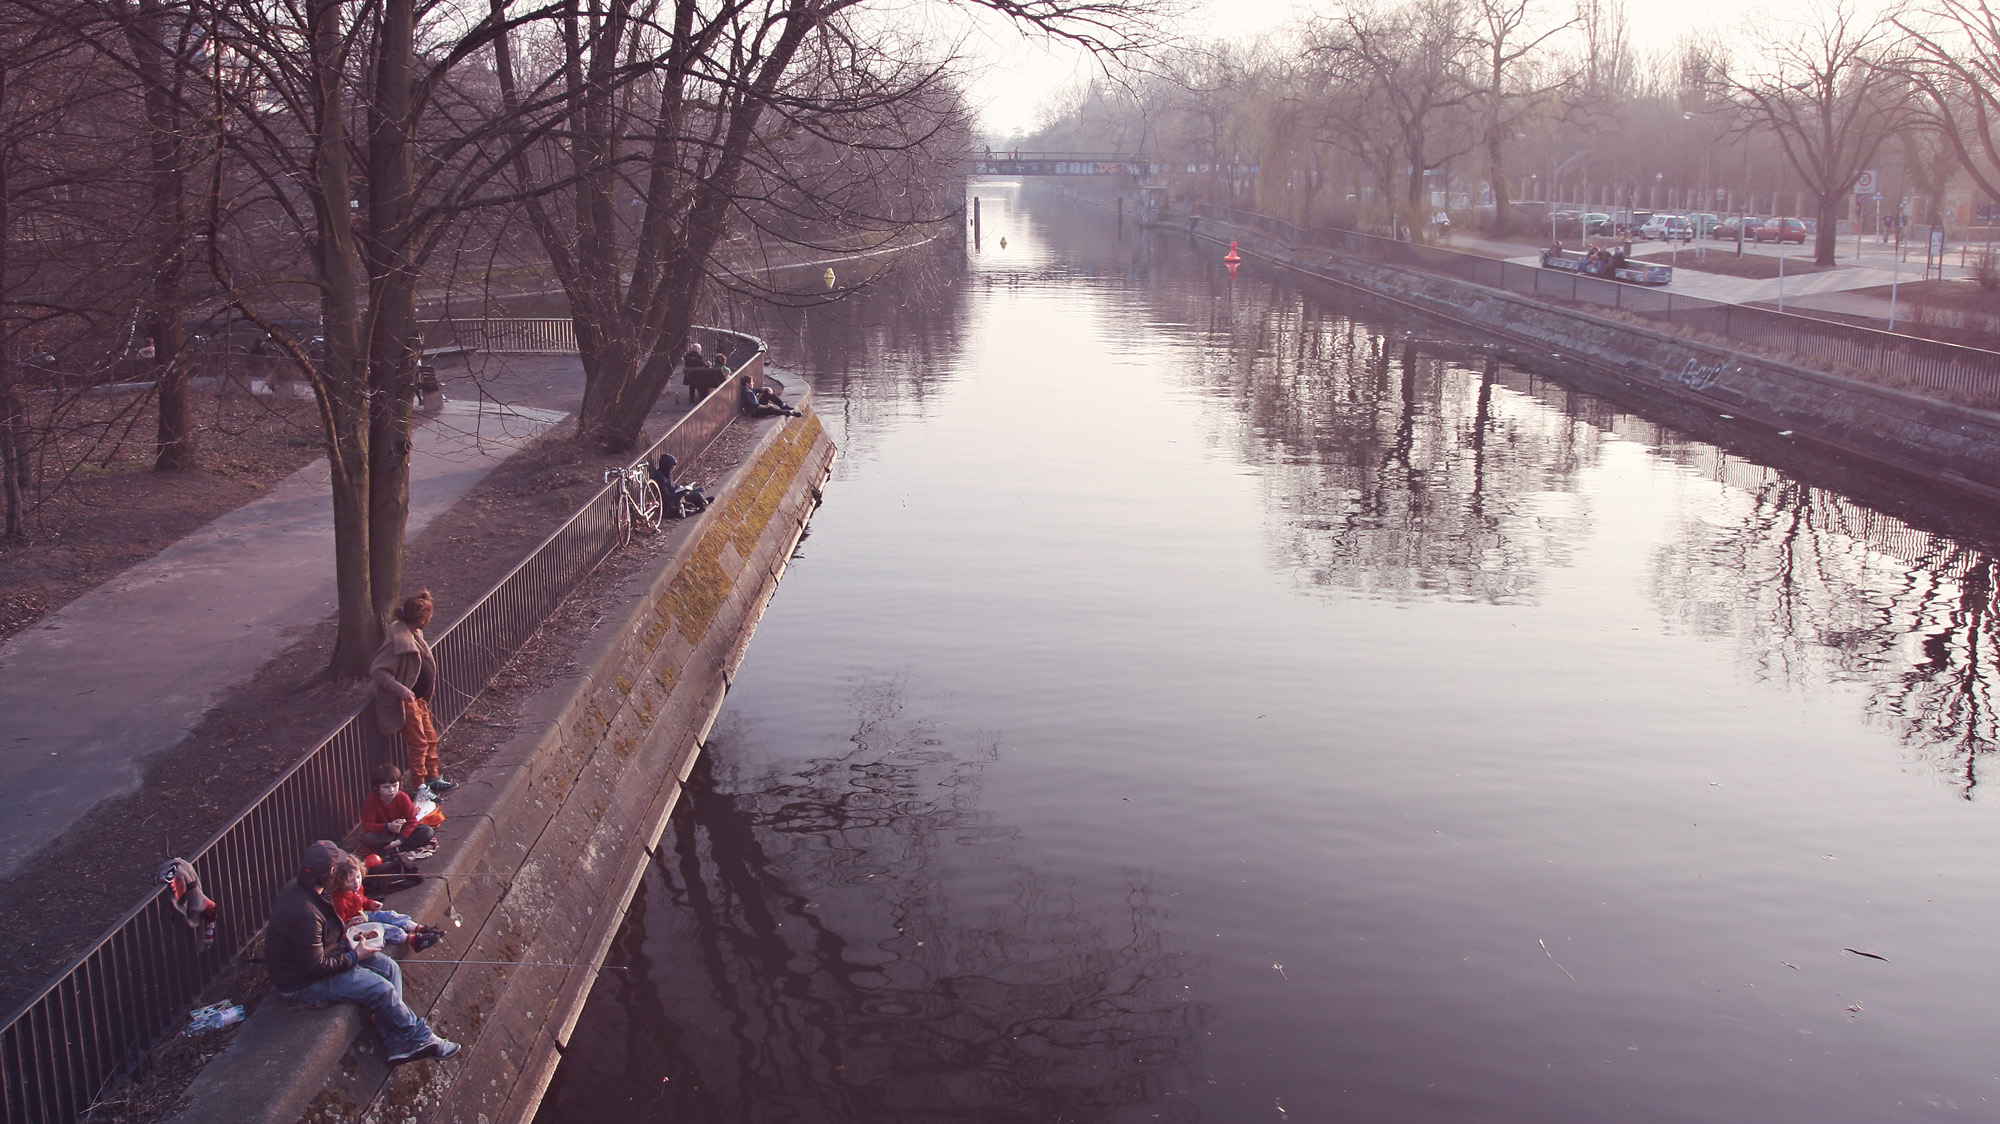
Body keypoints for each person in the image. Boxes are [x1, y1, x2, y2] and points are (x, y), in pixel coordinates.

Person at [265, 840, 459, 1066]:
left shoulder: (299, 888)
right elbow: (314, 968)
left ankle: (395, 1041)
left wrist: (347, 929)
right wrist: (356, 956)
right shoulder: (305, 913)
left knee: (389, 967)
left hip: (327, 954)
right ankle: (420, 1037)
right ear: (330, 873)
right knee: (380, 988)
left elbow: (319, 937)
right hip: (302, 984)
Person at [371, 591, 453, 796]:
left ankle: (433, 777)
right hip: (407, 703)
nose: (431, 619)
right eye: (429, 615)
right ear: (421, 618)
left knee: (431, 739)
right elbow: (378, 671)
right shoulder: (397, 640)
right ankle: (420, 786)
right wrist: (403, 691)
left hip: (419, 701)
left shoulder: (415, 632)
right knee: (418, 744)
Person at [329, 853, 444, 951]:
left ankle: (419, 928)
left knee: (390, 915)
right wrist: (350, 923)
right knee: (382, 928)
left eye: (358, 877)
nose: (356, 882)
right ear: (340, 882)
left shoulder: (357, 888)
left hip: (364, 914)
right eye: (350, 880)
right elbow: (340, 925)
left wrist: (370, 903)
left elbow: (362, 900)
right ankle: (412, 940)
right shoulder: (339, 901)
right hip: (357, 925)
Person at [359, 763, 437, 857]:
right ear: (377, 788)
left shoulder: (403, 797)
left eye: (394, 785)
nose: (391, 790)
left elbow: (412, 821)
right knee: (367, 838)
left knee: (427, 831)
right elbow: (368, 826)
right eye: (386, 787)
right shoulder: (371, 800)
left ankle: (394, 850)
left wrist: (400, 840)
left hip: (400, 832)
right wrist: (388, 827)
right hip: (383, 834)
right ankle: (392, 848)